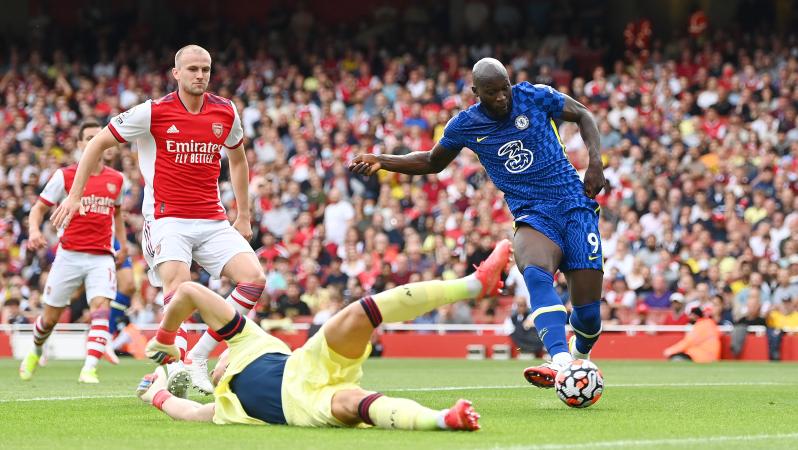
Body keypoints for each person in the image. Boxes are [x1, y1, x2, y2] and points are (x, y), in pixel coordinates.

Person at [349, 58, 606, 388]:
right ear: (476, 92)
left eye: (504, 88)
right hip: (533, 213)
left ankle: (579, 353)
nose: (501, 97)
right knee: (534, 270)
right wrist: (382, 160)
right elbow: (431, 161)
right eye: (492, 92)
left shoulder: (535, 96)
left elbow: (583, 114)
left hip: (575, 206)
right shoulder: (465, 125)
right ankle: (560, 360)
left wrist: (595, 163)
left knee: (588, 316)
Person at [51, 45, 266, 394]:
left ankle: (197, 356)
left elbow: (238, 160)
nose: (200, 75)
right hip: (168, 218)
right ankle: (173, 366)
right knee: (179, 287)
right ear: (176, 73)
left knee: (254, 280)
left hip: (212, 217)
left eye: (205, 69)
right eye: (193, 69)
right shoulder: (152, 112)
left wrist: (244, 215)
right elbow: (96, 145)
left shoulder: (225, 111)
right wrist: (74, 196)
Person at [136, 239, 512, 430]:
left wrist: (167, 337)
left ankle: (472, 284)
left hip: (308, 363)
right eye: (216, 367)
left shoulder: (249, 341)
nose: (217, 366)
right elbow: (187, 411)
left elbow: (189, 293)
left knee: (355, 314)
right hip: (303, 407)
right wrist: (158, 394)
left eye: (217, 359)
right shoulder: (225, 407)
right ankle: (444, 419)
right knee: (354, 402)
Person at [20, 121, 126, 383]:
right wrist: (34, 231)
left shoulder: (117, 179)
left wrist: (121, 244)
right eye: (87, 137)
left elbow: (119, 213)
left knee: (101, 307)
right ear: (79, 144)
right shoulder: (65, 176)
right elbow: (38, 209)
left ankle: (89, 368)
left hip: (101, 256)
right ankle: (35, 350)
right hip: (69, 254)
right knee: (50, 318)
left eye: (96, 137)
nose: (92, 142)